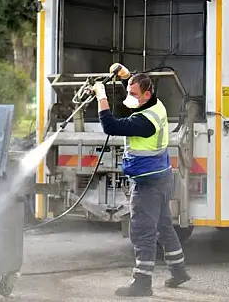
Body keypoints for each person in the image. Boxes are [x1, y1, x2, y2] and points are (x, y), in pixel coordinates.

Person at [91, 63, 191, 297]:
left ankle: (142, 282)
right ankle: (179, 271)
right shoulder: (157, 105)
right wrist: (127, 75)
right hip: (162, 177)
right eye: (129, 91)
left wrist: (101, 96)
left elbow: (110, 126)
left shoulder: (145, 122)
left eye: (133, 94)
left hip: (147, 182)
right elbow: (140, 82)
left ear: (146, 94)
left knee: (141, 231)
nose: (129, 96)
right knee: (164, 225)